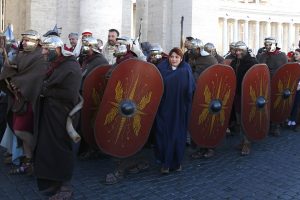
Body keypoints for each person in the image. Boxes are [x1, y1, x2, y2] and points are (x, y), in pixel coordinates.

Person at [33, 35, 81, 199]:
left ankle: (65, 186)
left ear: (58, 49)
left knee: (62, 149)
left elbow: (70, 94)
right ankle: (53, 181)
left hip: (62, 116)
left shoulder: (71, 67)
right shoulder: (55, 65)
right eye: (43, 49)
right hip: (50, 114)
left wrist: (46, 91)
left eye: (47, 49)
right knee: (49, 148)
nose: (44, 52)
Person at [0, 30, 47, 175]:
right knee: (19, 130)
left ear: (37, 42)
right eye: (24, 39)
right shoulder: (21, 54)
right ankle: (28, 161)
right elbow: (14, 68)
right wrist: (9, 70)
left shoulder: (40, 56)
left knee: (22, 130)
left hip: (29, 99)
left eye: (28, 40)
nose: (25, 42)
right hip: (18, 98)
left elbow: (36, 77)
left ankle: (36, 157)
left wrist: (18, 83)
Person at [155, 47, 195, 174]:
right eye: (172, 57)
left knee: (177, 135)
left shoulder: (186, 69)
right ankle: (165, 163)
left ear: (181, 58)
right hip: (164, 108)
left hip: (179, 108)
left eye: (177, 57)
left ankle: (176, 163)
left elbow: (191, 88)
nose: (174, 59)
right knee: (163, 134)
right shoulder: (162, 68)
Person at [188, 39, 218, 159]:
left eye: (192, 49)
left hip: (209, 95)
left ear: (198, 49)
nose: (190, 51)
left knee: (208, 121)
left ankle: (210, 147)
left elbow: (215, 76)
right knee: (197, 120)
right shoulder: (193, 57)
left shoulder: (210, 60)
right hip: (196, 94)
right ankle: (200, 147)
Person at [230, 41, 258, 155]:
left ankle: (247, 142)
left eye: (240, 50)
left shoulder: (252, 63)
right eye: (236, 50)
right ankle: (243, 139)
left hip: (247, 95)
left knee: (246, 118)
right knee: (239, 118)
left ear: (245, 51)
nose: (237, 52)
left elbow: (257, 79)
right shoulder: (234, 62)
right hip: (237, 94)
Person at [257, 37, 288, 136]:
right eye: (266, 44)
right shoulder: (261, 55)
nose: (268, 46)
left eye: (270, 44)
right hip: (265, 84)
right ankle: (266, 125)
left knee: (277, 104)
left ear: (275, 44)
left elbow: (285, 71)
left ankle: (276, 125)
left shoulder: (282, 56)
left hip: (278, 84)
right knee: (265, 104)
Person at [287, 48, 300, 131]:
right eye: (294, 54)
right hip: (291, 86)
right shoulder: (291, 64)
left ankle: (294, 122)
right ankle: (289, 120)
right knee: (290, 104)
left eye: (297, 54)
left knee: (296, 105)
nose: (295, 55)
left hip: (299, 87)